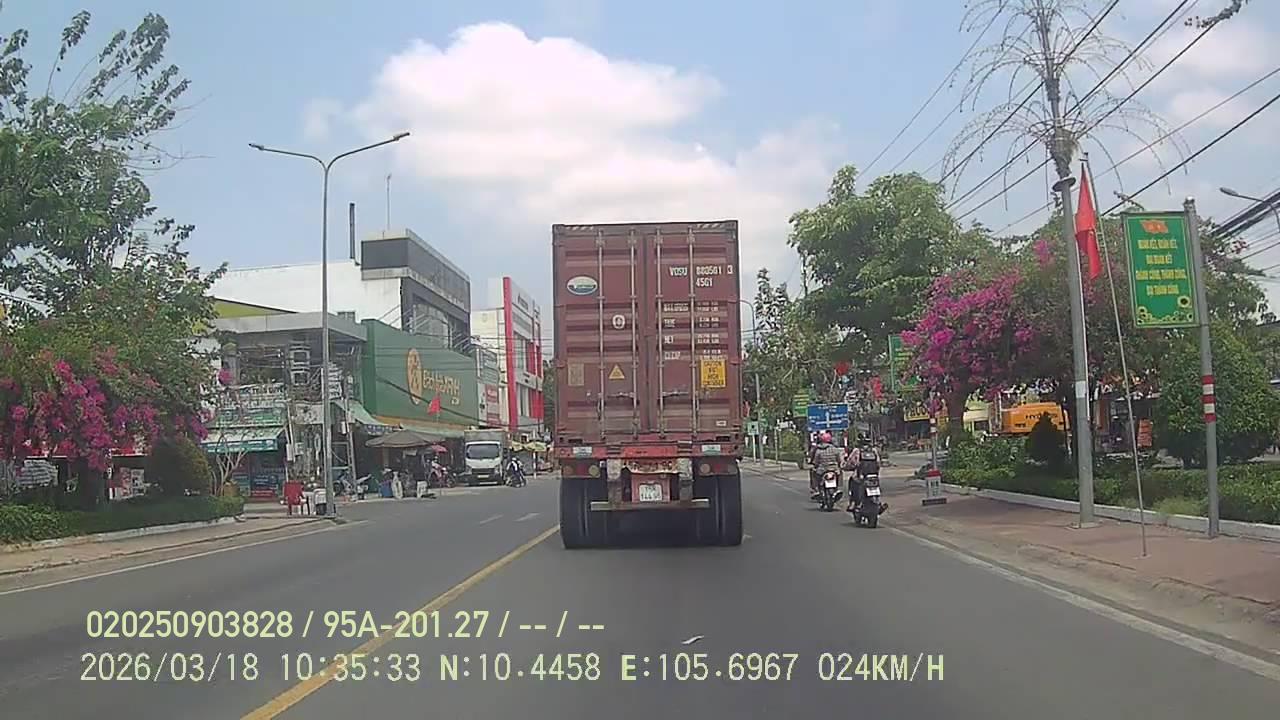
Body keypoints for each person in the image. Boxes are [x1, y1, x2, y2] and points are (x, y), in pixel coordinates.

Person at [809, 430, 844, 498]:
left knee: (813, 473)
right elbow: (839, 460)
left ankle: (816, 489)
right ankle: (839, 488)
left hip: (822, 470)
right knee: (840, 473)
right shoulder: (835, 449)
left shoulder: (818, 450)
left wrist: (815, 465)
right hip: (834, 469)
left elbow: (815, 462)